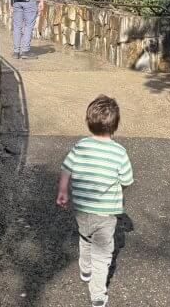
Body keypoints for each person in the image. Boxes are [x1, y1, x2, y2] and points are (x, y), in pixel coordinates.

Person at [56, 95, 134, 307]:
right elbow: (127, 180)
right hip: (106, 213)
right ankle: (98, 294)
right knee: (103, 253)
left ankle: (85, 268)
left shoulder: (80, 146)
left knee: (85, 237)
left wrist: (63, 191)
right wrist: (118, 188)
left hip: (81, 208)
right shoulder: (119, 152)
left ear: (88, 122)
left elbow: (66, 168)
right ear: (115, 125)